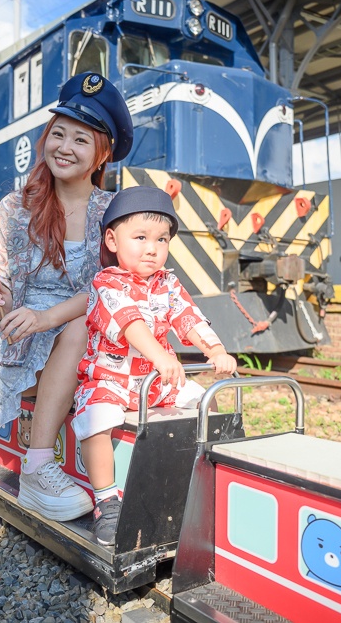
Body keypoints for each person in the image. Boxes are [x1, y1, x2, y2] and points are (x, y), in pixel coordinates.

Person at [0, 72, 134, 522]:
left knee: (85, 322)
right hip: (25, 336)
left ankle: (48, 464)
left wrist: (50, 319)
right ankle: (38, 469)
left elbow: (112, 290)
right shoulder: (14, 207)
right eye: (57, 133)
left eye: (80, 139)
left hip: (89, 330)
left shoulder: (115, 212)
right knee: (78, 326)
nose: (64, 146)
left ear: (101, 154)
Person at [72, 186, 238, 546]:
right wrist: (161, 356)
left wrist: (215, 348)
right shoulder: (107, 282)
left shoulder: (169, 284)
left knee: (201, 399)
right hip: (110, 379)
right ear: (113, 241)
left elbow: (189, 318)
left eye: (162, 239)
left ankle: (210, 472)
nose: (152, 248)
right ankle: (106, 501)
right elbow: (130, 323)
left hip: (156, 382)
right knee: (96, 420)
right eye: (141, 237)